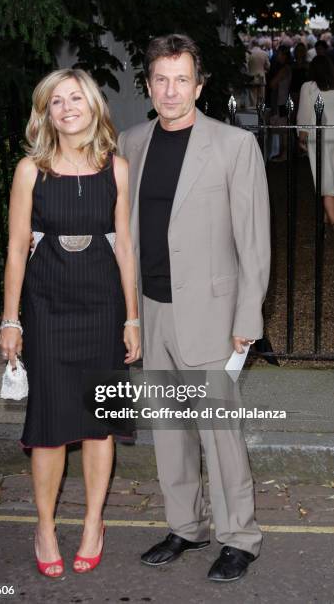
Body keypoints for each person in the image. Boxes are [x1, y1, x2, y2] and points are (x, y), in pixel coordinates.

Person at [118, 34, 271, 582]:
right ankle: (186, 526)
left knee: (219, 434)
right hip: (152, 309)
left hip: (211, 313)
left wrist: (247, 320)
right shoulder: (131, 141)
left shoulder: (233, 146)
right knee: (170, 431)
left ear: (199, 85)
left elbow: (253, 242)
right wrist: (128, 313)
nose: (171, 90)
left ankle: (240, 537)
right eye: (161, 78)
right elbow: (125, 234)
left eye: (182, 79)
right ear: (150, 84)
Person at [0, 68, 140, 578]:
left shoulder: (115, 168)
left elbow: (124, 247)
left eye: (76, 98)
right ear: (47, 113)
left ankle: (93, 524)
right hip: (47, 310)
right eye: (57, 101)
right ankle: (44, 526)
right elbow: (16, 249)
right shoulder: (29, 170)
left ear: (93, 106)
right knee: (50, 428)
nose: (67, 107)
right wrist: (11, 320)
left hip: (102, 310)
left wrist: (132, 318)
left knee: (100, 426)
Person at [297, 55, 334, 225]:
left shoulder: (309, 87)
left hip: (320, 138)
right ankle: (327, 216)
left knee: (326, 183)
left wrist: (302, 138)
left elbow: (304, 114)